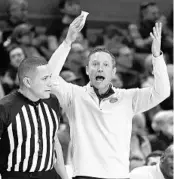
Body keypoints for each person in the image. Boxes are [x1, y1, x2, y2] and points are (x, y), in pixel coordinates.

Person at [49, 14, 170, 178]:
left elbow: (162, 92)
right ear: (86, 70)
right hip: (84, 175)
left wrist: (157, 57)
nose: (100, 68)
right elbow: (48, 77)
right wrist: (67, 42)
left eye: (105, 65)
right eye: (95, 64)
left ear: (113, 72)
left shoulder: (129, 98)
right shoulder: (73, 95)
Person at [0, 56, 69, 179]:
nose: (50, 83)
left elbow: (53, 141)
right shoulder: (5, 107)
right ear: (28, 82)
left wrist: (65, 177)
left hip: (49, 174)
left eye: (50, 77)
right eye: (44, 78)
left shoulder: (52, 102)